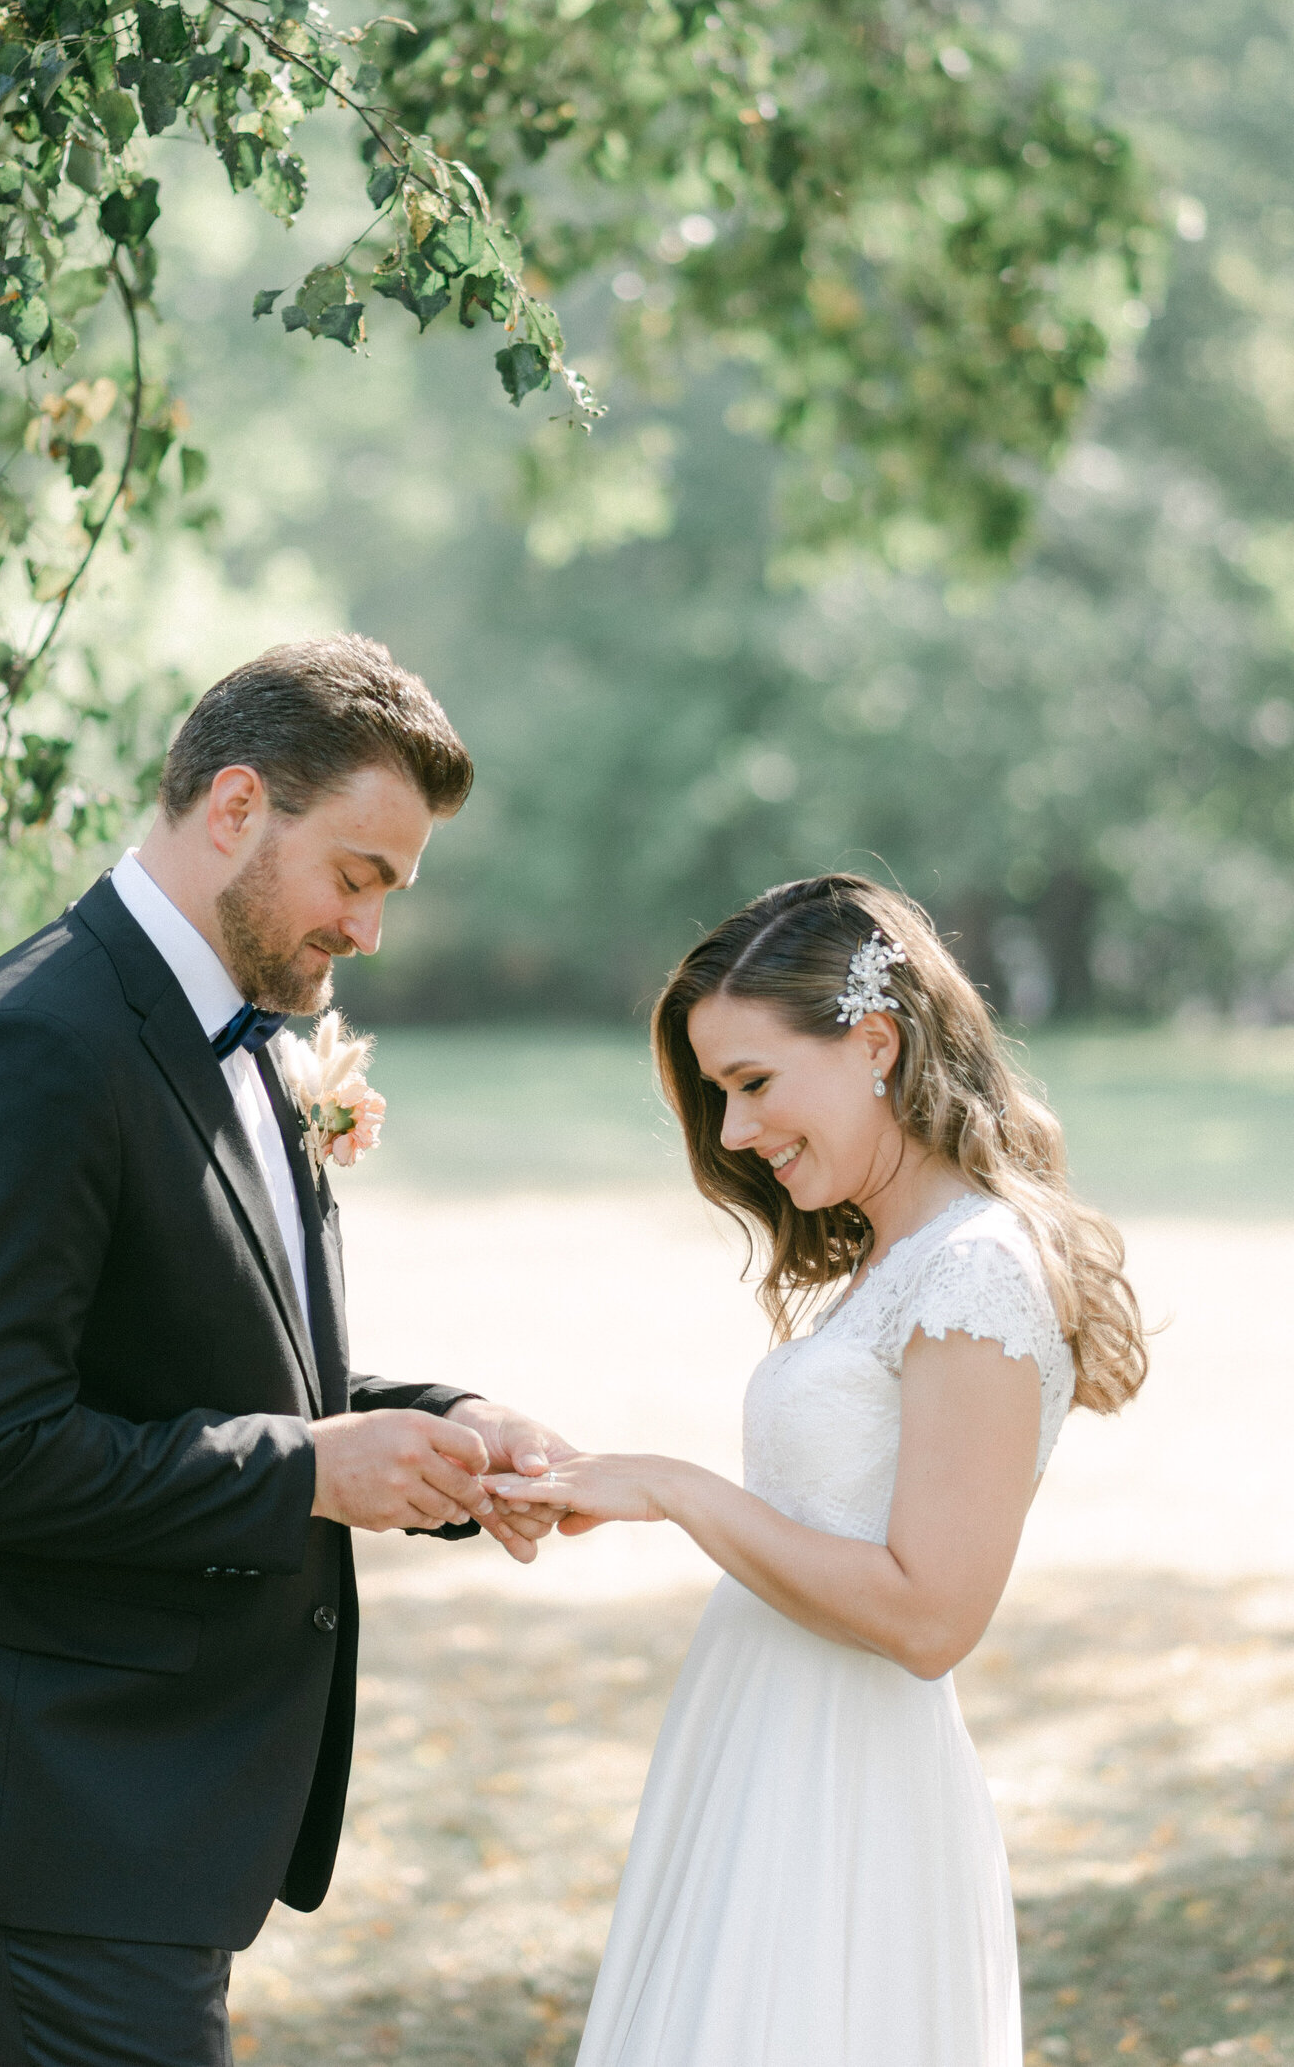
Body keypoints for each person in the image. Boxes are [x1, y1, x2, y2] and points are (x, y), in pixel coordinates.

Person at [0, 634, 570, 2067]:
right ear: (234, 809)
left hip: (142, 1815)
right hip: (39, 1812)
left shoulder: (247, 1036)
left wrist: (439, 1424)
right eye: (358, 875)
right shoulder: (37, 1044)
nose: (371, 929)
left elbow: (222, 1369)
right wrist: (310, 1474)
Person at [489, 873, 1148, 2067]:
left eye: (752, 1083)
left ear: (875, 1043)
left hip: (847, 1790)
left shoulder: (977, 1271)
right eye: (717, 1093)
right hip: (757, 1749)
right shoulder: (891, 1263)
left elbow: (931, 1612)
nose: (734, 1130)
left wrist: (681, 1491)